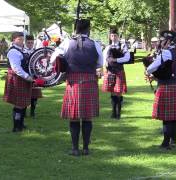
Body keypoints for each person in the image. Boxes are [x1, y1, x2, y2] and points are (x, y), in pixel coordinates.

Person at [50, 19, 103, 156]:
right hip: (90, 81)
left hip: (73, 81)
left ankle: (75, 149)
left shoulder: (67, 42)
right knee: (87, 117)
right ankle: (86, 148)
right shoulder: (95, 44)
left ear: (76, 29)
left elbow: (52, 59)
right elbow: (99, 63)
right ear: (88, 29)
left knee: (74, 117)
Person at [146, 30, 176, 150]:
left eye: (162, 40)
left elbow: (152, 67)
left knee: (166, 118)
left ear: (168, 41)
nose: (160, 42)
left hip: (166, 86)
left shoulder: (166, 52)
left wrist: (148, 71)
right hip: (175, 85)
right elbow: (168, 69)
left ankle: (165, 143)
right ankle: (173, 141)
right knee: (173, 118)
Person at [4, 32, 34, 132]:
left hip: (22, 78)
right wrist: (27, 77)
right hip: (17, 78)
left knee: (23, 103)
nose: (21, 41)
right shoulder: (13, 52)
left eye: (22, 39)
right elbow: (16, 68)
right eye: (19, 39)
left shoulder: (21, 50)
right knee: (18, 103)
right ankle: (16, 126)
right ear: (13, 40)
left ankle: (21, 123)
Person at [102, 28, 130, 119]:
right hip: (110, 71)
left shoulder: (123, 46)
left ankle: (119, 113)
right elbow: (103, 58)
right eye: (112, 35)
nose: (113, 37)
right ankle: (113, 112)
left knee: (118, 92)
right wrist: (105, 65)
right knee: (112, 92)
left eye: (115, 35)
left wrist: (116, 60)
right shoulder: (108, 47)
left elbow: (127, 58)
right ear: (110, 36)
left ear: (118, 36)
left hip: (119, 71)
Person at [25, 35, 42, 117]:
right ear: (25, 42)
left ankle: (32, 111)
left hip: (35, 75)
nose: (30, 44)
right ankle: (23, 112)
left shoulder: (36, 51)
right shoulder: (22, 51)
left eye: (31, 42)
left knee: (34, 95)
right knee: (24, 94)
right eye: (28, 42)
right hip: (25, 75)